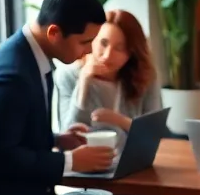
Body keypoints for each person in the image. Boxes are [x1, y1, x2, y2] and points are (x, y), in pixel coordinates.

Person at [0, 0, 114, 195]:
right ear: (54, 33)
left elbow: (16, 132)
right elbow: (0, 155)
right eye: (84, 42)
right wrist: (71, 162)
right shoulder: (12, 74)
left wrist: (55, 139)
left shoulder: (33, 57)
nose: (89, 51)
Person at [53, 9, 162, 144]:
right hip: (84, 162)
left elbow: (153, 134)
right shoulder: (67, 75)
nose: (107, 55)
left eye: (119, 48)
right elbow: (67, 135)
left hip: (130, 162)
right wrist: (83, 82)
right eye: (103, 43)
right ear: (92, 40)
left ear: (131, 53)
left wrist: (120, 120)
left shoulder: (145, 76)